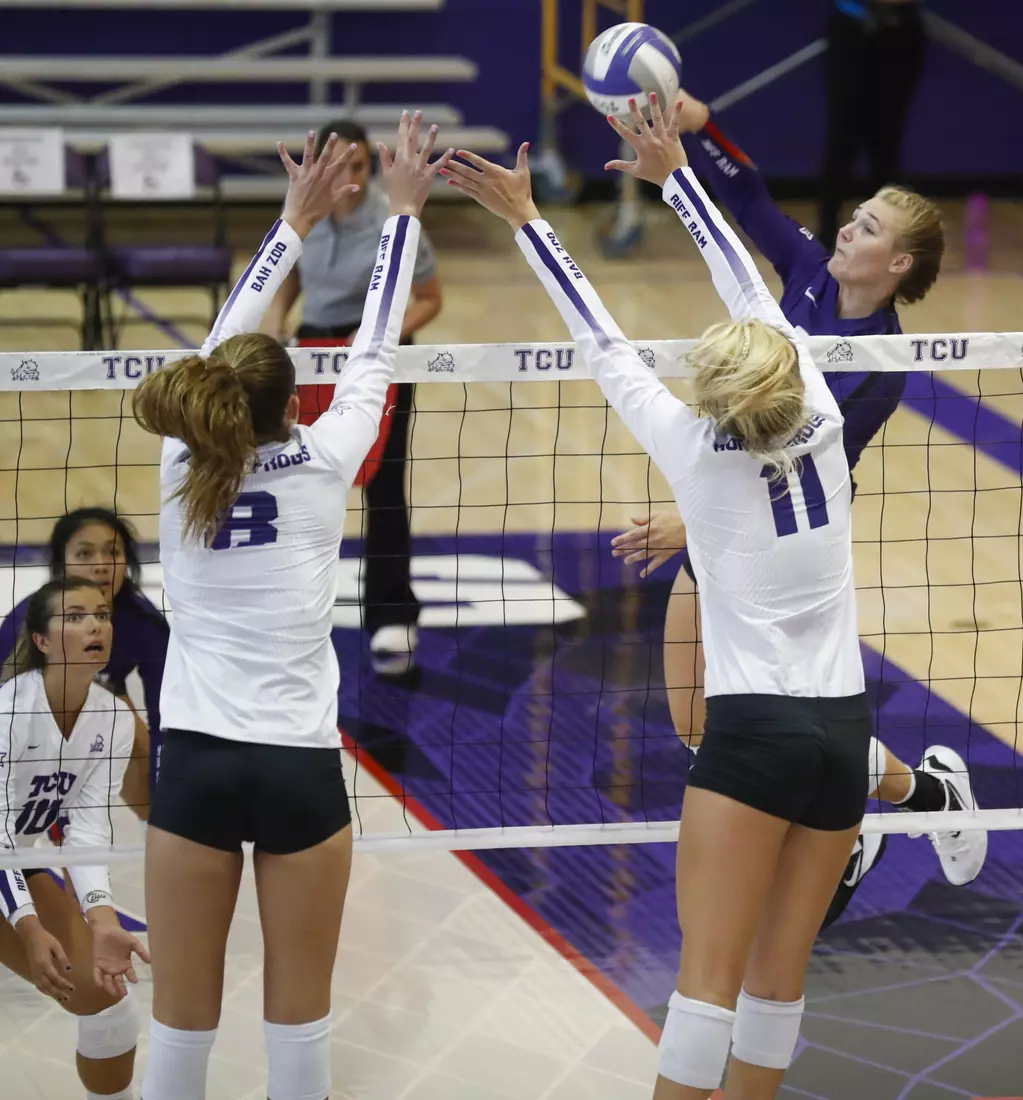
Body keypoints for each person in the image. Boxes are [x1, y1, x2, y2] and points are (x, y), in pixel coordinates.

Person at [447, 93, 920, 1099]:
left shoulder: (690, 453)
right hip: (843, 735)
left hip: (750, 740)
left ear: (712, 392)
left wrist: (531, 221)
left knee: (704, 988)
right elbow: (749, 288)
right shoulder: (827, 419)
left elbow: (602, 337)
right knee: (776, 985)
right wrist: (678, 179)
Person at [130, 115, 451, 1100]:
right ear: (294, 402)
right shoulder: (325, 460)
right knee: (300, 1024)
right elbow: (376, 342)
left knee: (180, 1029)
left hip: (197, 762)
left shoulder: (181, 462)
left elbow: (236, 326)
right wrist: (404, 212)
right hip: (302, 768)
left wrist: (289, 222)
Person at [607, 85, 983, 926]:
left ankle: (859, 820)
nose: (850, 226)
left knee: (740, 721)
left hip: (791, 543)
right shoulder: (810, 273)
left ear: (897, 268)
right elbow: (748, 199)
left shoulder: (881, 363)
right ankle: (924, 795)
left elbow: (790, 454)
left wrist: (689, 517)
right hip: (731, 520)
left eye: (871, 228)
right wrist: (703, 131)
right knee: (700, 724)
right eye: (857, 215)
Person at [261, 118, 443, 678]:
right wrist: (269, 341)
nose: (350, 176)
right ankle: (288, 606)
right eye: (339, 165)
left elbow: (430, 299)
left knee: (384, 483)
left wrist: (377, 338)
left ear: (372, 166)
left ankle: (392, 613)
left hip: (376, 355)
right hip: (311, 354)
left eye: (359, 166)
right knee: (298, 477)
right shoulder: (305, 221)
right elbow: (286, 290)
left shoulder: (397, 222)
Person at [0, 576, 150, 1100]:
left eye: (102, 614)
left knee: (108, 1005)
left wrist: (102, 919)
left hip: (12, 857)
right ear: (40, 640)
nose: (95, 625)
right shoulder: (8, 711)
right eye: (75, 616)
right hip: (3, 855)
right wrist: (29, 926)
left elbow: (86, 829)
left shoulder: (114, 717)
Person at [0, 507, 169, 821]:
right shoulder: (23, 625)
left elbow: (166, 722)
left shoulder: (145, 625)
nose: (102, 565)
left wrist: (169, 803)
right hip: (28, 717)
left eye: (112, 552)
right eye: (85, 553)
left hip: (102, 696)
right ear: (61, 564)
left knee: (159, 793)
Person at [820, 0, 928, 244]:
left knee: (887, 140)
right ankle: (827, 233)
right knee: (842, 137)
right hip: (853, 26)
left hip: (902, 30)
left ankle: (886, 232)